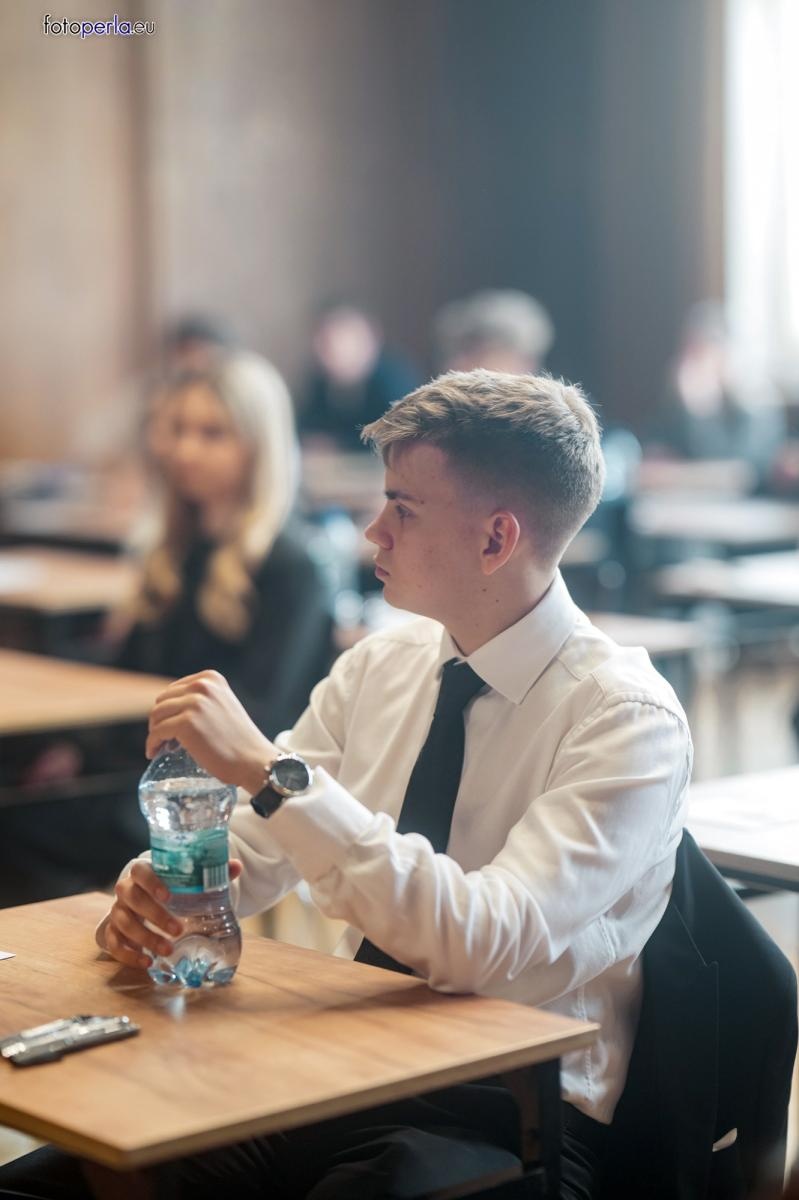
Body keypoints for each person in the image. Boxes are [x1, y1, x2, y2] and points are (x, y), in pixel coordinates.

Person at [1, 370, 692, 1200]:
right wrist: (166, 891)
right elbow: (251, 857)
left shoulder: (625, 718)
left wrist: (266, 772)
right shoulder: (381, 663)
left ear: (494, 540)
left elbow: (477, 941)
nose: (373, 530)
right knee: (60, 1181)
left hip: (512, 1109)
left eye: (402, 507)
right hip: (344, 1062)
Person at [0, 351, 332, 906]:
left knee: (17, 830)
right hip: (146, 767)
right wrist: (75, 741)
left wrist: (100, 745)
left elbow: (265, 716)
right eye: (176, 430)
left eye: (212, 434)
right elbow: (133, 673)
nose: (185, 451)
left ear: (258, 446)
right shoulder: (176, 549)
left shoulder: (292, 567)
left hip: (213, 795)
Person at [299, 300, 420, 451]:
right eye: (325, 341)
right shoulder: (319, 383)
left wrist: (339, 446)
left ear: (370, 338)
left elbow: (398, 437)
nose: (334, 349)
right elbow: (307, 429)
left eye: (342, 339)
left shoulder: (393, 380)